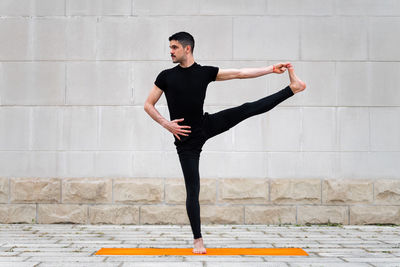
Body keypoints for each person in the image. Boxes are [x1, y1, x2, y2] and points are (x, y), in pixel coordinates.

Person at [144, 31, 306, 254]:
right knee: (193, 189)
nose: (170, 51)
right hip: (185, 141)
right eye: (170, 47)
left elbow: (239, 73)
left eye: (174, 47)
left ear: (187, 49)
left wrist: (270, 69)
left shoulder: (204, 73)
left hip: (204, 125)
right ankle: (198, 240)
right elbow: (148, 105)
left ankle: (292, 89)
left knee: (247, 108)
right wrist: (167, 124)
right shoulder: (165, 76)